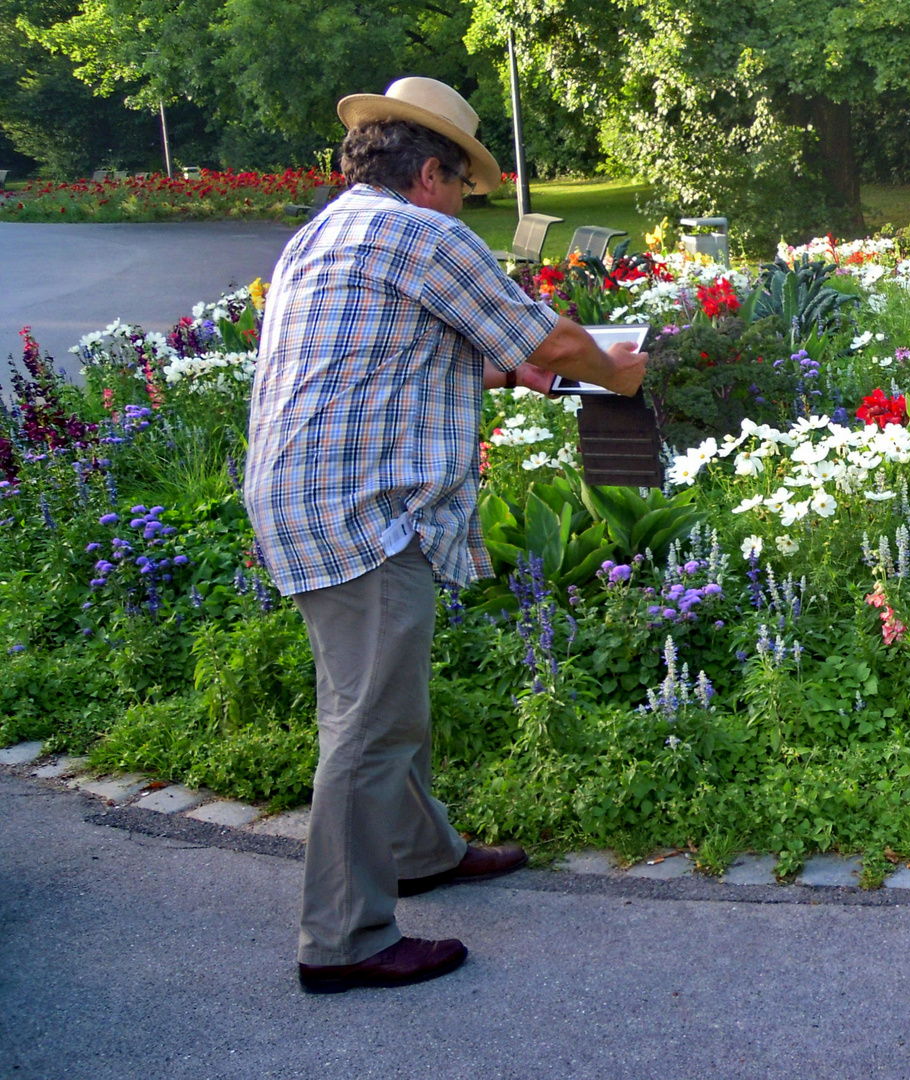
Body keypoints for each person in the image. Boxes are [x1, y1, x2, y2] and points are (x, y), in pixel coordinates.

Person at [242, 77, 647, 994]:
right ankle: (344, 940)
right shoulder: (421, 231)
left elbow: (402, 355)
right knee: (371, 721)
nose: (467, 200)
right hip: (359, 506)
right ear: (430, 173)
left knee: (382, 695)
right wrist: (612, 376)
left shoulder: (329, 233)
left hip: (308, 495)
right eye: (464, 180)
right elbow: (553, 341)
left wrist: (519, 378)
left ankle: (420, 851)